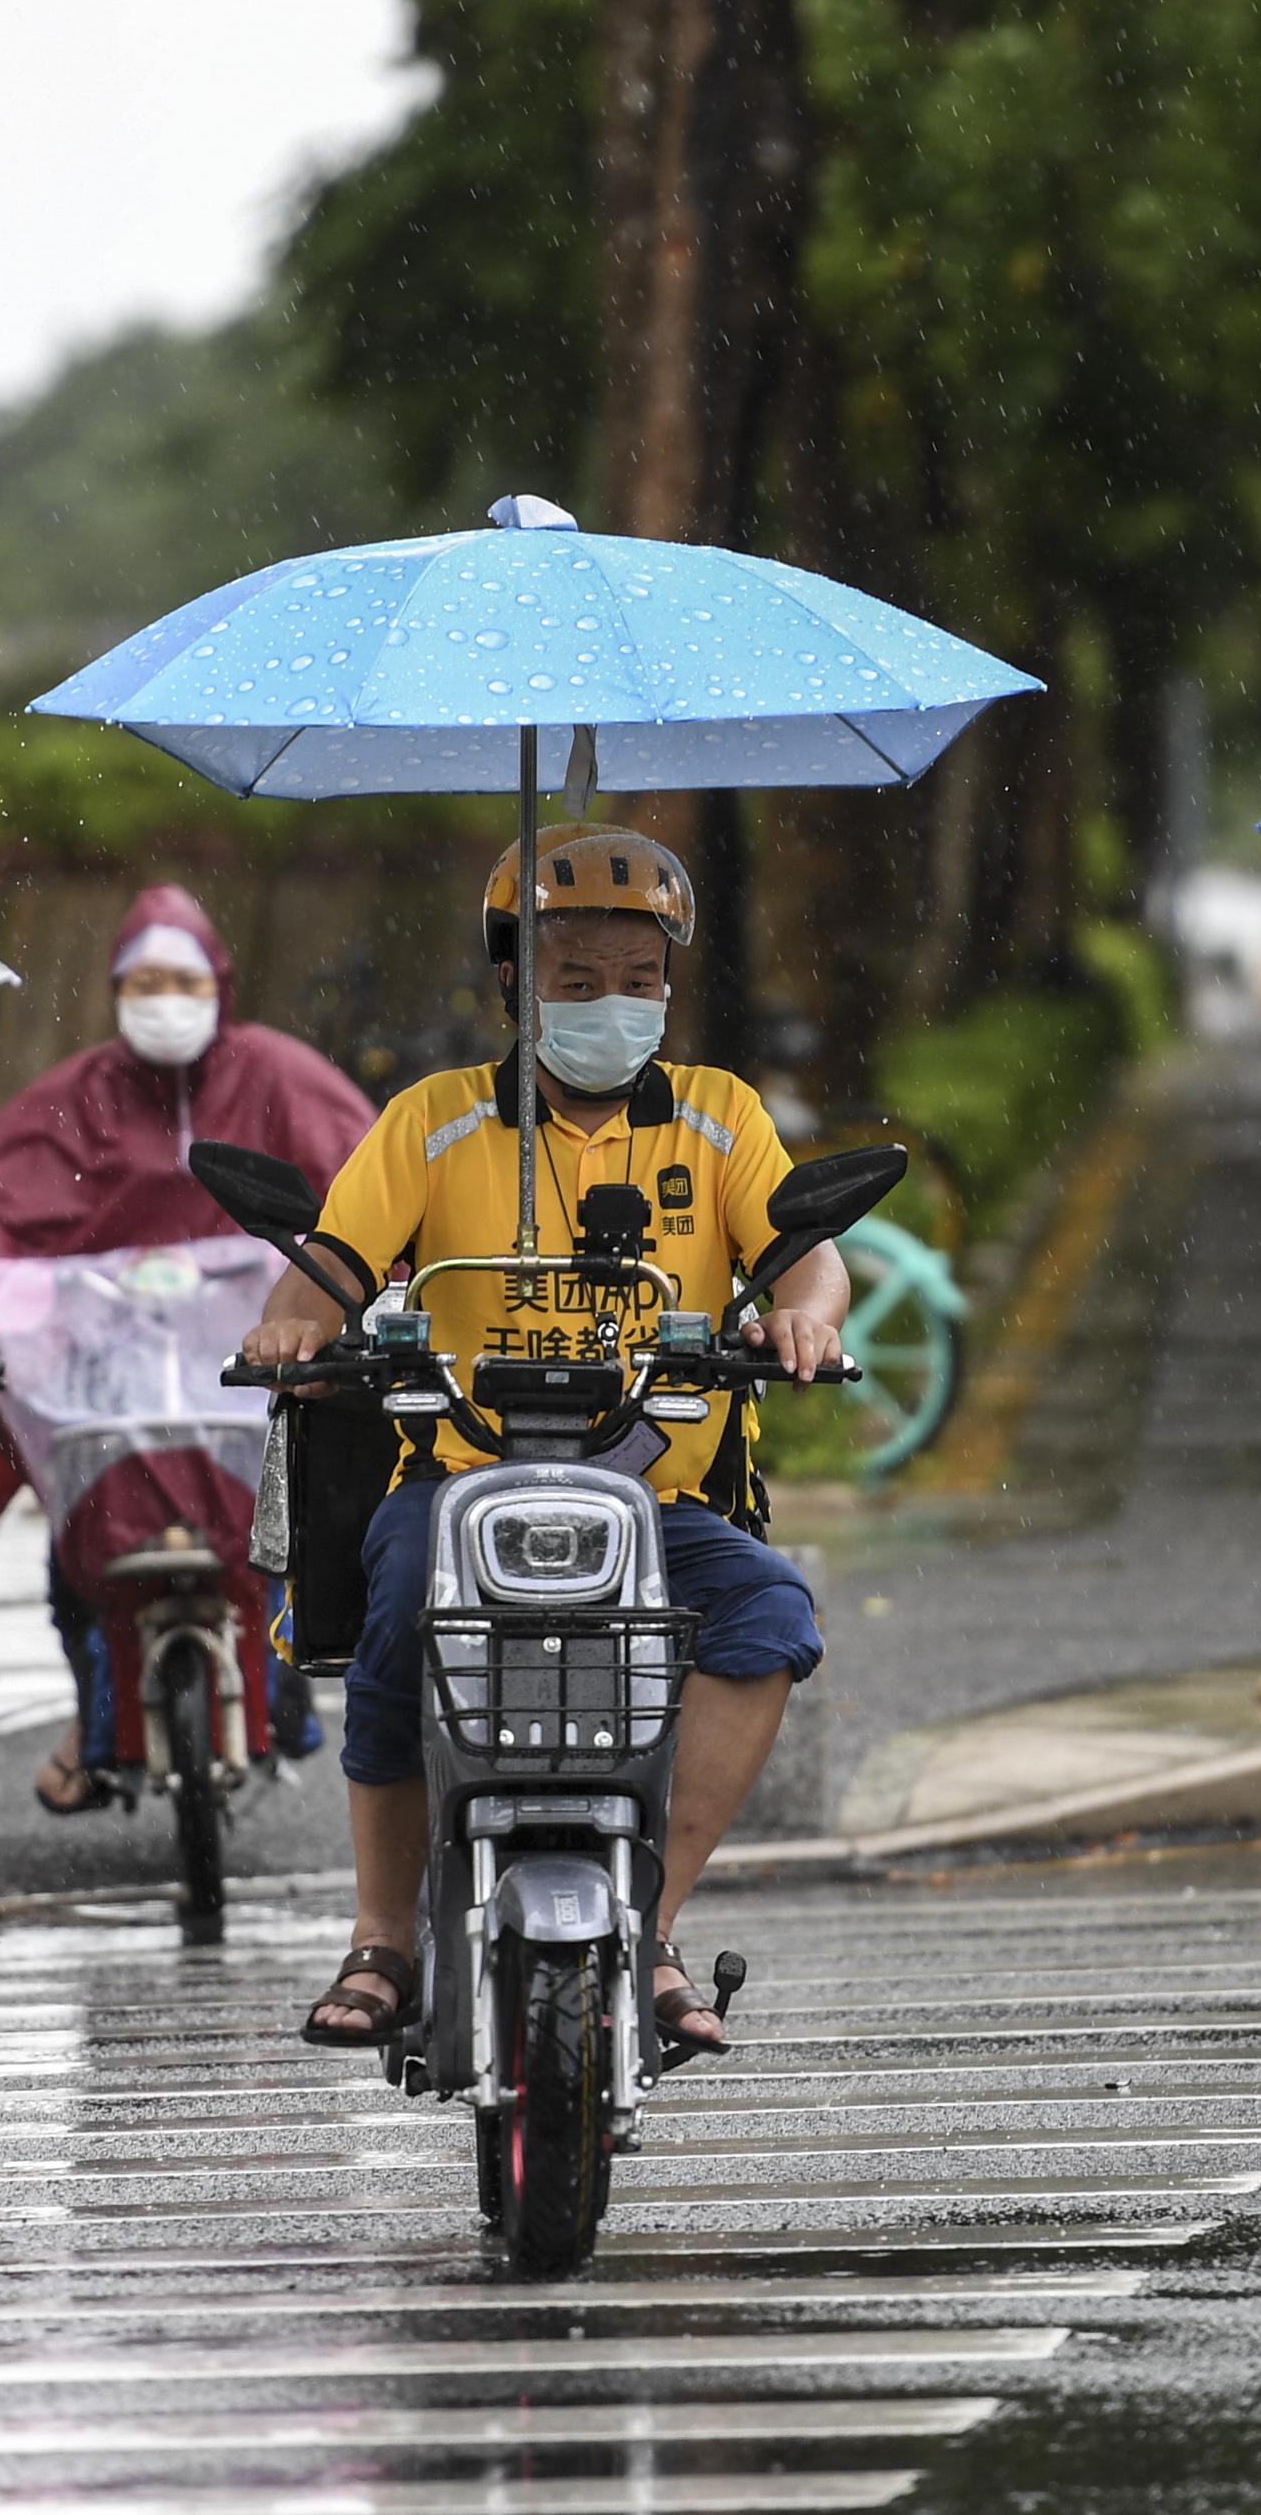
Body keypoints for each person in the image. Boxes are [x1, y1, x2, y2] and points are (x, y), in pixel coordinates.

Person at [236, 825, 849, 2059]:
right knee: (397, 1607)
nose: (608, 1006)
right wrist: (292, 1329)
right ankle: (381, 1937)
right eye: (573, 981)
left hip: (655, 1501)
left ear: (668, 985)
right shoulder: (432, 1121)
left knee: (771, 1615)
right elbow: (323, 1278)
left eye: (637, 980)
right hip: (460, 1485)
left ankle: (654, 1922)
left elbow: (808, 1261)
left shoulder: (722, 1118)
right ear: (513, 984)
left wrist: (802, 1317)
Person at [0, 885, 374, 1811]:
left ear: (217, 980)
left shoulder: (281, 1078)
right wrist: (2, 1290)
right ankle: (98, 1712)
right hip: (117, 1384)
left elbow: (367, 1187)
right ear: (115, 991)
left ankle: (282, 1674)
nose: (163, 998)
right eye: (144, 981)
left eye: (181, 978)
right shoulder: (74, 1098)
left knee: (298, 1526)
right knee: (79, 1539)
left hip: (251, 1367)